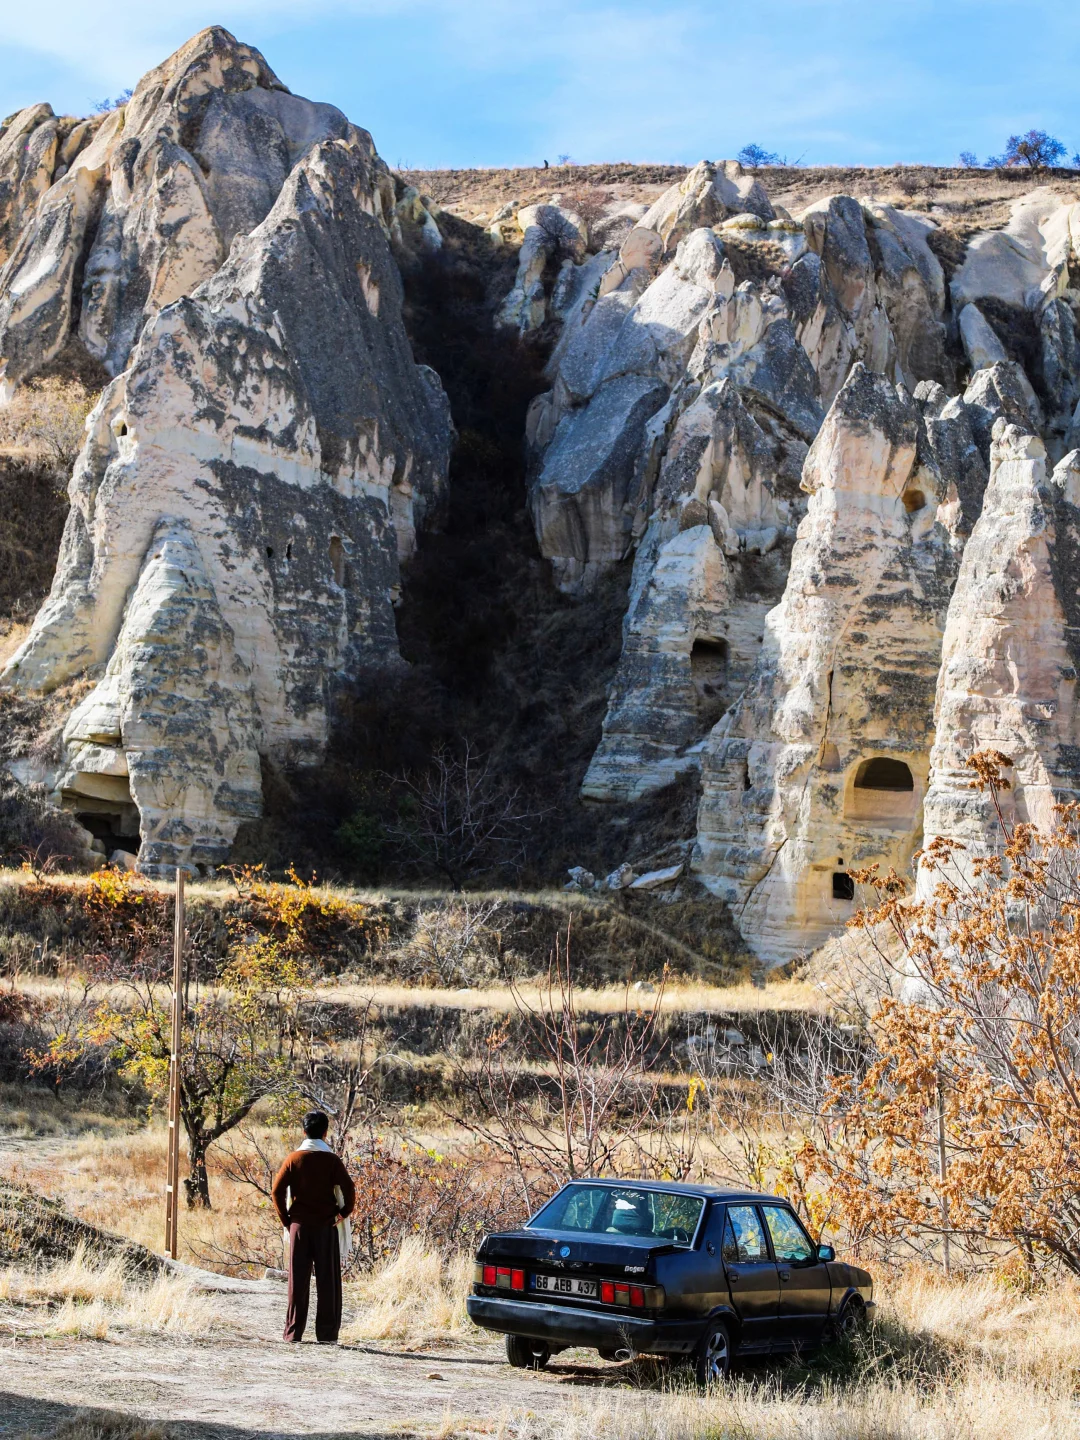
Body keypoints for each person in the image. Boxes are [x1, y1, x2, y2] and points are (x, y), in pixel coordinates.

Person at [271, 1111, 356, 1344]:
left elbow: (277, 1191)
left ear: (303, 1131)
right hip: (326, 1226)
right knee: (328, 1281)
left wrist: (287, 1221)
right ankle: (327, 1335)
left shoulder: (293, 1159)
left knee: (297, 1281)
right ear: (325, 1133)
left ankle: (293, 1333)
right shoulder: (332, 1160)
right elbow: (349, 1189)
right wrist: (342, 1213)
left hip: (299, 1226)